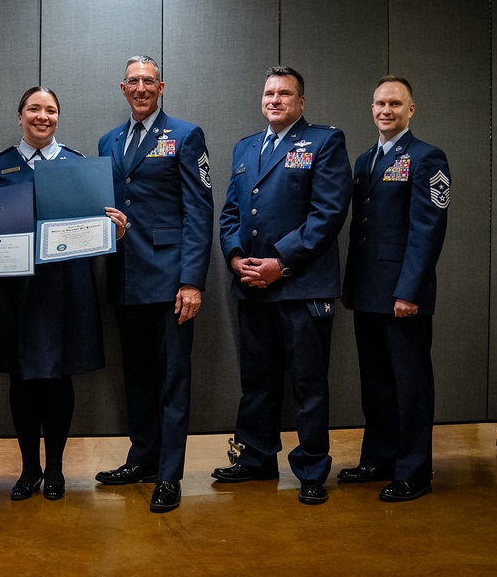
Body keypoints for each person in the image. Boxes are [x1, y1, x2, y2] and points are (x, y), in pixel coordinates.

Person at [0, 87, 128, 502]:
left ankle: (54, 469)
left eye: (50, 110)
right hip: (13, 291)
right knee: (22, 377)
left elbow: (97, 228)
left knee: (58, 376)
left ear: (58, 117)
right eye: (34, 109)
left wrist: (116, 230)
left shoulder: (79, 165)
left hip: (65, 289)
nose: (42, 116)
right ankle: (29, 469)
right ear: (20, 116)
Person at [213, 66, 351, 505]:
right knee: (257, 381)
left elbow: (327, 214)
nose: (274, 100)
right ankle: (255, 458)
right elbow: (231, 213)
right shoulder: (245, 147)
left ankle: (311, 469)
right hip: (252, 285)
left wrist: (281, 263)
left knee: (308, 385)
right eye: (269, 93)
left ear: (301, 102)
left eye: (285, 94)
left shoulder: (324, 142)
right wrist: (236, 259)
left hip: (301, 286)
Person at [94, 56, 214, 513]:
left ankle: (168, 474)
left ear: (160, 87)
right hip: (126, 278)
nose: (141, 88)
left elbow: (199, 211)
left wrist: (191, 281)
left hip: (169, 281)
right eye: (133, 82)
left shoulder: (185, 135)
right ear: (122, 88)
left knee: (172, 380)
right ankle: (141, 459)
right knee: (138, 379)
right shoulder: (108, 140)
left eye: (149, 81)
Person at [339, 76, 450, 502]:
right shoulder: (366, 160)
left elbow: (427, 230)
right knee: (377, 384)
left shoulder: (427, 157)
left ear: (411, 109)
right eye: (379, 104)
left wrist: (410, 291)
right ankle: (379, 459)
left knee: (411, 386)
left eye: (395, 104)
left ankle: (414, 471)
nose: (385, 110)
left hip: (403, 296)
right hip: (368, 292)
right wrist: (351, 286)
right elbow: (360, 233)